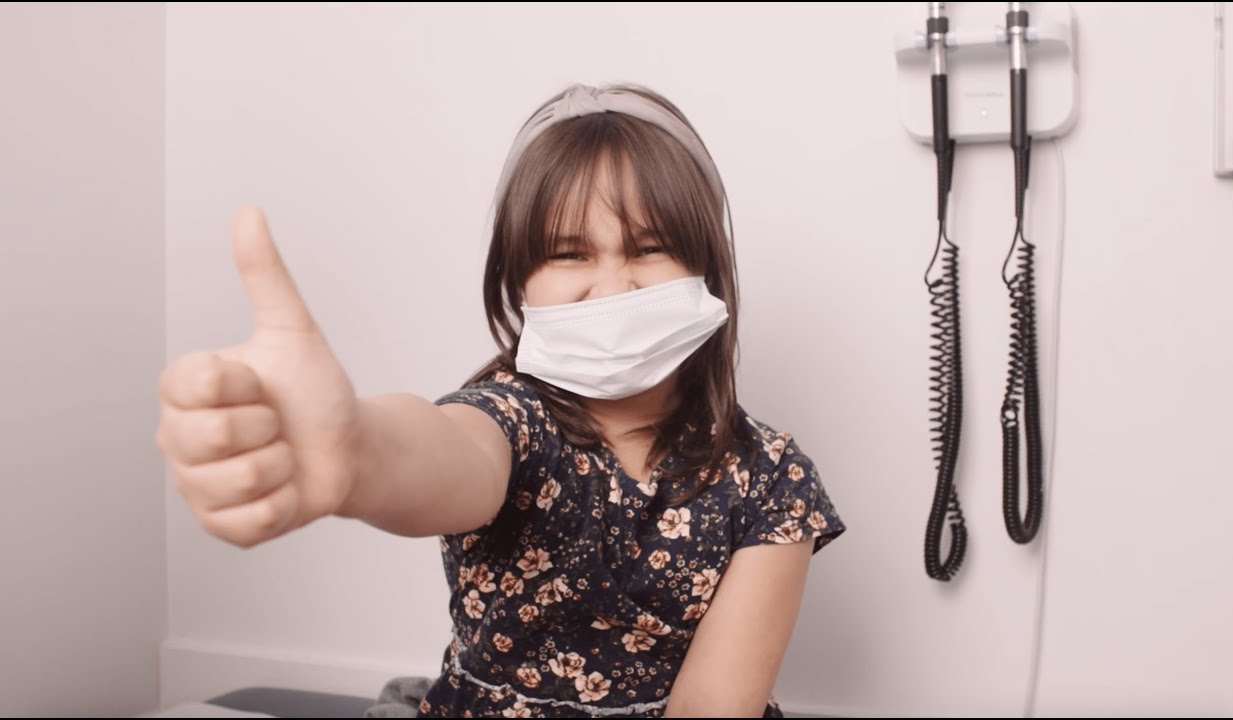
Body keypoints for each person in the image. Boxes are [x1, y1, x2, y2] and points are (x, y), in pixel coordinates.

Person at [155, 83, 845, 718]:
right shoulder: (511, 424)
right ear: (518, 281)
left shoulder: (771, 479)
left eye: (651, 247)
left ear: (707, 268)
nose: (613, 288)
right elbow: (440, 450)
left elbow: (712, 707)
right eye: (570, 254)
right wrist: (357, 452)